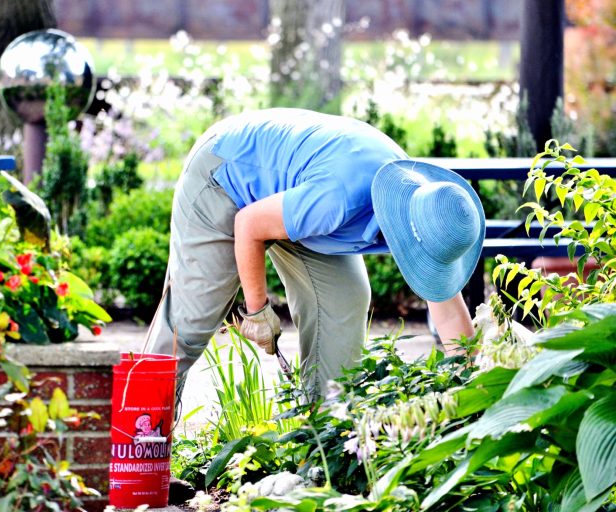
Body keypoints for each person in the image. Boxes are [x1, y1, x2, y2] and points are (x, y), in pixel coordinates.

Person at [146, 108, 485, 403]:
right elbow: (249, 224)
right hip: (224, 172)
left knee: (345, 298)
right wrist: (257, 311)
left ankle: (325, 438)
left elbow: (450, 314)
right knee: (190, 323)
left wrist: (473, 393)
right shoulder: (339, 200)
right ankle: (132, 449)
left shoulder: (429, 211)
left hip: (294, 188)